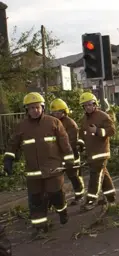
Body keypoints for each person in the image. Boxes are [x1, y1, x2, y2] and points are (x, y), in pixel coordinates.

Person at [3, 92, 74, 237]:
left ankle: (62, 210)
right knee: (36, 200)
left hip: (53, 169)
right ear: (26, 110)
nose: (35, 110)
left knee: (56, 195)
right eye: (31, 108)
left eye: (37, 107)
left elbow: (64, 143)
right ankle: (40, 227)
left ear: (42, 107)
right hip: (33, 172)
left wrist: (69, 160)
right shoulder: (22, 126)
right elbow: (13, 144)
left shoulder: (54, 122)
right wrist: (8, 159)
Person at [78, 92, 116, 211]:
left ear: (95, 104)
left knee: (95, 176)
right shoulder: (83, 119)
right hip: (91, 154)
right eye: (85, 105)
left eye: (90, 104)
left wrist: (98, 131)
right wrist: (80, 146)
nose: (88, 107)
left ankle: (91, 200)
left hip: (101, 153)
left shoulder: (103, 116)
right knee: (103, 175)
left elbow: (112, 131)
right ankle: (111, 198)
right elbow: (82, 136)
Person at [50, 98, 85, 205]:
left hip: (71, 154)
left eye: (58, 112)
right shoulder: (52, 122)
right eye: (54, 112)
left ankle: (79, 195)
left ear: (64, 112)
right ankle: (57, 201)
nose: (56, 114)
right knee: (55, 179)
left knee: (73, 176)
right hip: (57, 155)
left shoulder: (70, 124)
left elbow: (71, 141)